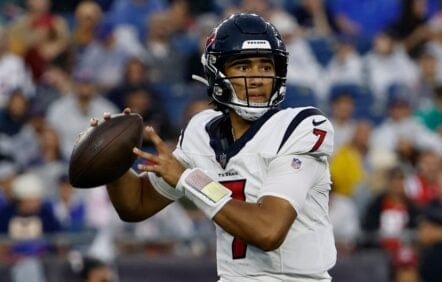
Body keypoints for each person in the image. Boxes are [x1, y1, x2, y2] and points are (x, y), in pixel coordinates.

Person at [89, 13, 336, 281]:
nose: (256, 78)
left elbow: (269, 230)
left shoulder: (301, 126)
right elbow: (136, 205)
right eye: (243, 67)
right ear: (217, 73)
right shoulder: (201, 132)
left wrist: (188, 179)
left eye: (265, 67)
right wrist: (113, 160)